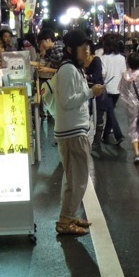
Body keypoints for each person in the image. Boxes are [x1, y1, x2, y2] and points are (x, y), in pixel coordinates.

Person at [53, 30, 104, 236]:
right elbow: (67, 101)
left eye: (87, 46)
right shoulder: (67, 70)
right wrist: (91, 92)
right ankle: (65, 221)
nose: (86, 50)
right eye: (82, 47)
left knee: (74, 178)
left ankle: (69, 216)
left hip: (74, 130)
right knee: (78, 180)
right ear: (69, 49)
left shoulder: (74, 68)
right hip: (72, 132)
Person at [98, 33, 126, 146]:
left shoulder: (103, 58)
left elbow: (103, 73)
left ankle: (118, 135)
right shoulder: (122, 58)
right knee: (111, 111)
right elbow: (124, 74)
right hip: (118, 89)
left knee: (110, 112)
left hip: (107, 89)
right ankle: (105, 136)